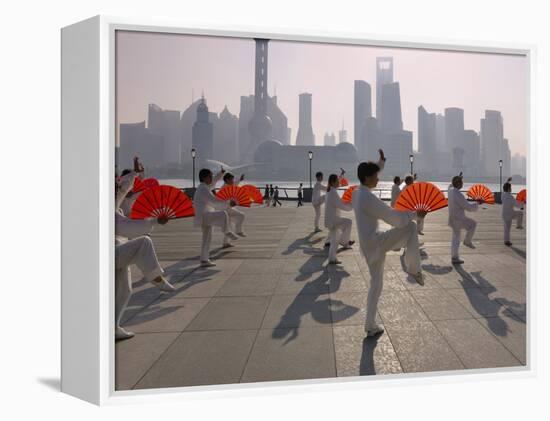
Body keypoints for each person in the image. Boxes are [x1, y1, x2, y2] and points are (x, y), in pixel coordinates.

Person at [352, 149, 425, 337]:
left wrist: (380, 163)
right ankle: (414, 269)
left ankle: (370, 325)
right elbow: (394, 219)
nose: (378, 179)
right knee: (409, 228)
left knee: (376, 285)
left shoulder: (357, 192)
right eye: (376, 176)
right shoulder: (368, 197)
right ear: (368, 177)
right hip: (376, 243)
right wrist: (415, 214)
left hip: (368, 246)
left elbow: (369, 173)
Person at [115, 158, 175, 340]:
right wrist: (155, 221)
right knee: (144, 242)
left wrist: (134, 174)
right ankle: (156, 277)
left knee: (125, 291)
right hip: (110, 254)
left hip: (119, 250)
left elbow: (123, 190)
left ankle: (113, 327)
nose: (118, 190)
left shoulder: (112, 204)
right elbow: (128, 226)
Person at [194, 167, 239, 267]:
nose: (212, 178)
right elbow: (214, 201)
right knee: (223, 214)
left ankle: (204, 259)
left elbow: (213, 183)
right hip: (204, 216)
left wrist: (221, 173)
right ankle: (227, 231)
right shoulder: (203, 189)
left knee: (207, 239)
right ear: (205, 178)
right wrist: (228, 203)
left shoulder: (205, 187)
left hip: (204, 217)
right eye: (210, 176)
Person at [447, 174, 480, 264]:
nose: (462, 184)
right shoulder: (458, 194)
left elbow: (450, 185)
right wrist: (477, 203)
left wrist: (459, 177)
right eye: (461, 182)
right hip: (459, 219)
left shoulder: (450, 190)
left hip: (453, 218)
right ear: (458, 184)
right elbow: (468, 207)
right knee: (473, 224)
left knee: (455, 238)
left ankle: (454, 257)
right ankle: (467, 241)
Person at [325, 174, 355, 264]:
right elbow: (342, 205)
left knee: (334, 240)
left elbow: (340, 202)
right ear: (333, 182)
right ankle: (344, 241)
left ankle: (332, 258)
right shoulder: (333, 193)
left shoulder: (330, 191)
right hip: (333, 220)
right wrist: (352, 203)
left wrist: (349, 202)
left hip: (331, 220)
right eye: (338, 181)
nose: (339, 182)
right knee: (348, 222)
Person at [222, 172, 247, 237]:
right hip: (224, 209)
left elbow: (235, 184)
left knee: (230, 225)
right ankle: (238, 231)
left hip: (228, 208)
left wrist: (240, 179)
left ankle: (226, 243)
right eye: (232, 179)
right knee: (240, 216)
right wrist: (230, 203)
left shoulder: (229, 185)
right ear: (227, 180)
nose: (233, 181)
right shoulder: (224, 188)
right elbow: (222, 200)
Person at [501, 181, 524, 246]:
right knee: (520, 213)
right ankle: (518, 225)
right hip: (510, 214)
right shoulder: (510, 197)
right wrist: (522, 204)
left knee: (506, 229)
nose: (511, 189)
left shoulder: (503, 195)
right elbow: (517, 204)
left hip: (504, 214)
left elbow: (504, 190)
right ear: (508, 189)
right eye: (510, 188)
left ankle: (506, 241)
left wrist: (507, 181)